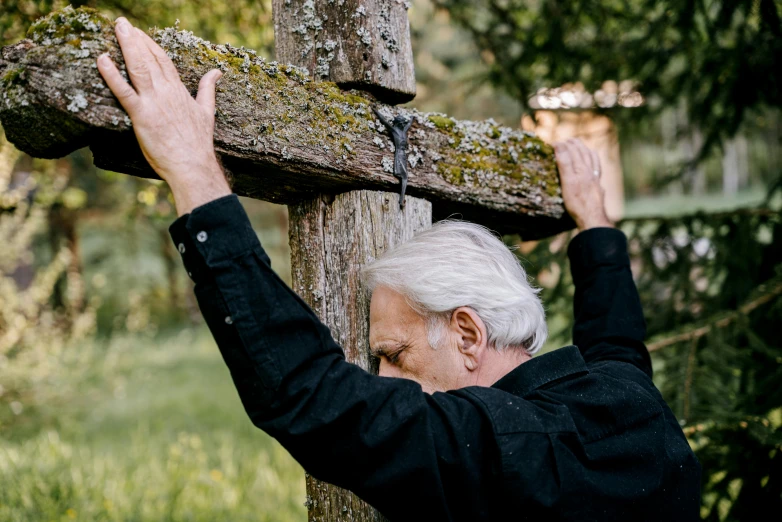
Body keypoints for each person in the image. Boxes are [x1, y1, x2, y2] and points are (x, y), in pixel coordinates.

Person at [96, 17, 702, 521]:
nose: (383, 379)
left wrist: (193, 173)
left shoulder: (497, 453)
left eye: (396, 353)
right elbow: (617, 340)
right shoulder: (628, 401)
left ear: (467, 334)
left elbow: (312, 397)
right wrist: (594, 224)